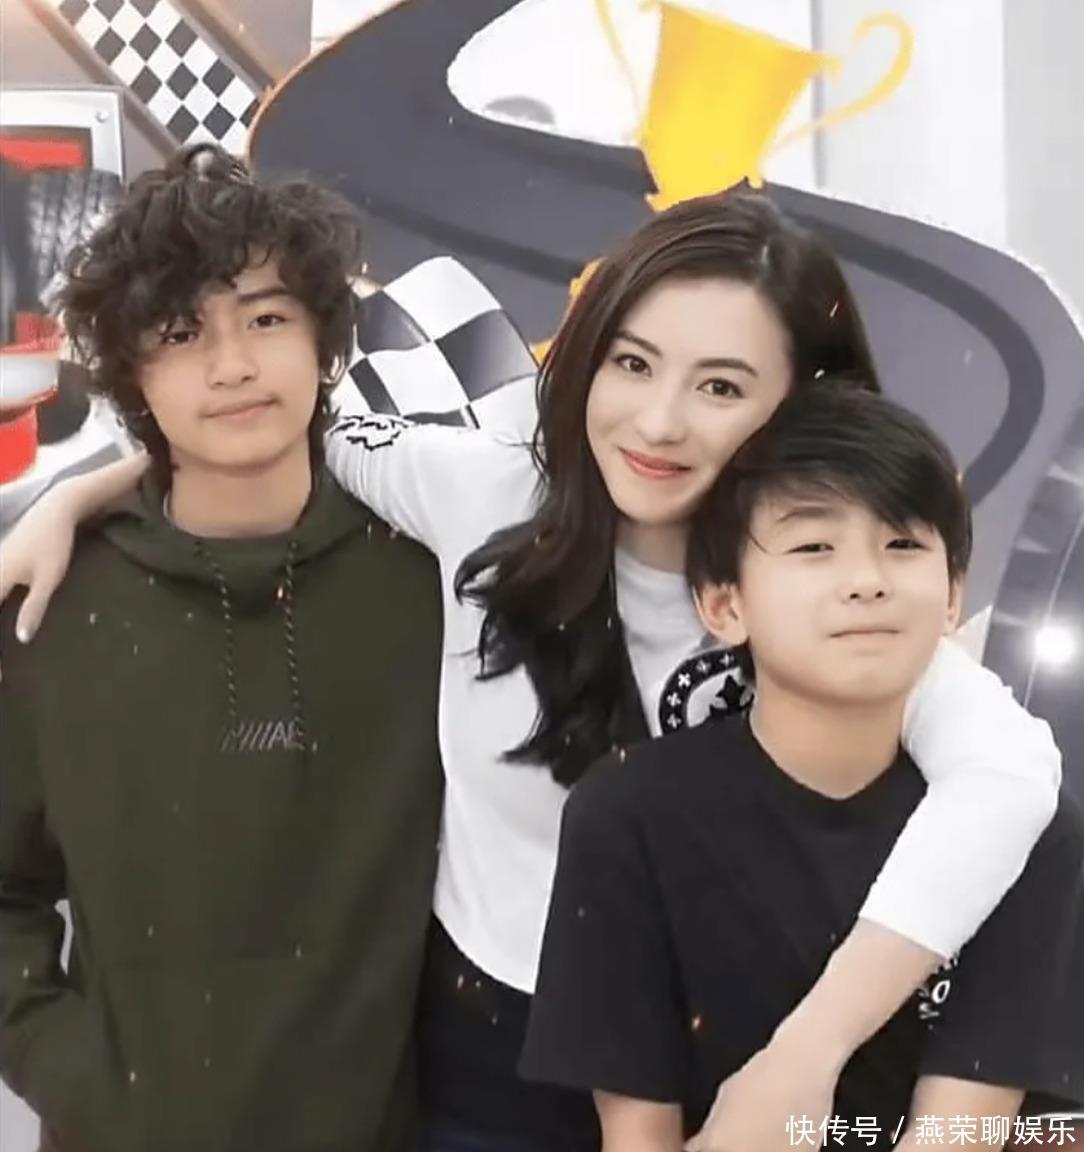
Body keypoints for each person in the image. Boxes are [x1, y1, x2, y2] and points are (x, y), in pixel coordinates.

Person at [0, 189, 1063, 1152]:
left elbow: (1012, 783)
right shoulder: (480, 493)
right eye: (632, 365)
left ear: (800, 405)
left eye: (721, 386)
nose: (658, 421)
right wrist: (73, 499)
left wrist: (808, 1052)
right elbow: (259, 428)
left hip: (742, 1065)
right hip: (489, 1070)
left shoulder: (823, 587)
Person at [0, 145, 444, 1152]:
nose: (233, 365)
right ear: (133, 374)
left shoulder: (430, 583)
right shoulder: (51, 605)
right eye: (180, 332)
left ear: (323, 341)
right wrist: (71, 1071)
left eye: (267, 319)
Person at [520, 382, 1084, 1151]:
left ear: (954, 594)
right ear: (724, 605)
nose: (867, 580)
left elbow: (967, 1131)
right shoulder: (627, 817)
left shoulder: (1033, 834)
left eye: (903, 546)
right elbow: (637, 1135)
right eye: (814, 547)